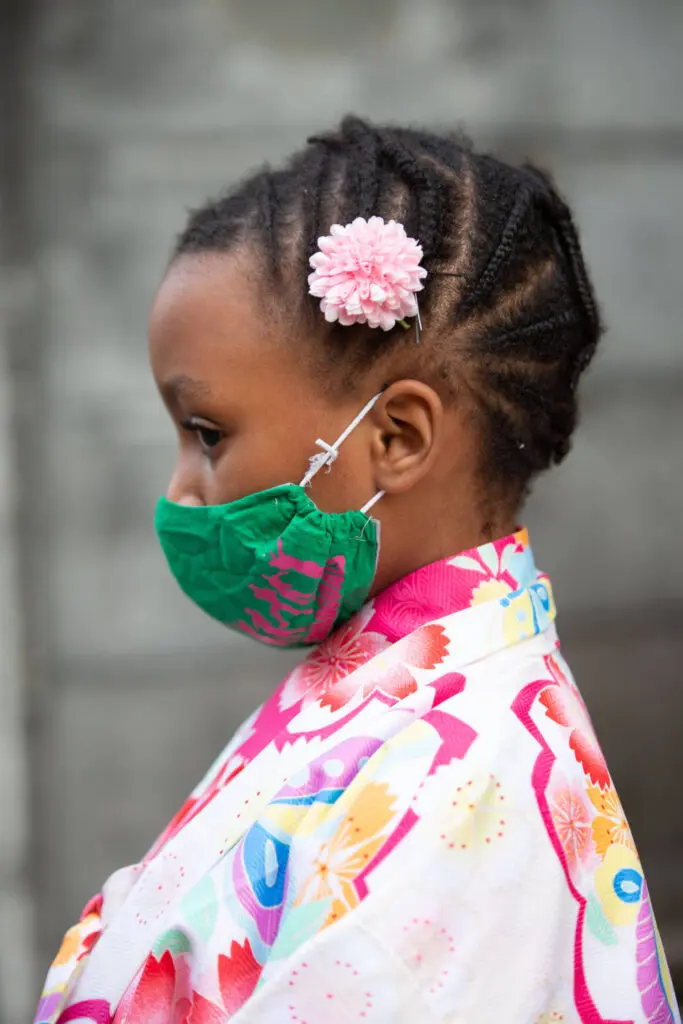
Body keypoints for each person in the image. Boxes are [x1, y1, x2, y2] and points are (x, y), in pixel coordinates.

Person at [35, 116, 679, 1024]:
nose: (180, 492)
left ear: (397, 438)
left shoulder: (466, 792)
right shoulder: (391, 691)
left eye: (208, 434)